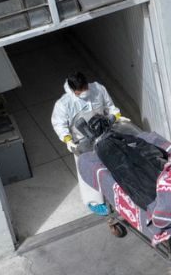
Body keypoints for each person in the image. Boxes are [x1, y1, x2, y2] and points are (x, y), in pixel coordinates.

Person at [51, 72, 127, 212]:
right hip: (82, 140)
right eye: (81, 91)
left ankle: (119, 192)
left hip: (103, 132)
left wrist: (116, 116)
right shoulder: (64, 104)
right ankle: (94, 201)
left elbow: (109, 106)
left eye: (86, 88)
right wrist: (68, 139)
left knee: (111, 164)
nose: (85, 92)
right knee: (88, 169)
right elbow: (58, 123)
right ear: (74, 90)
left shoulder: (98, 89)